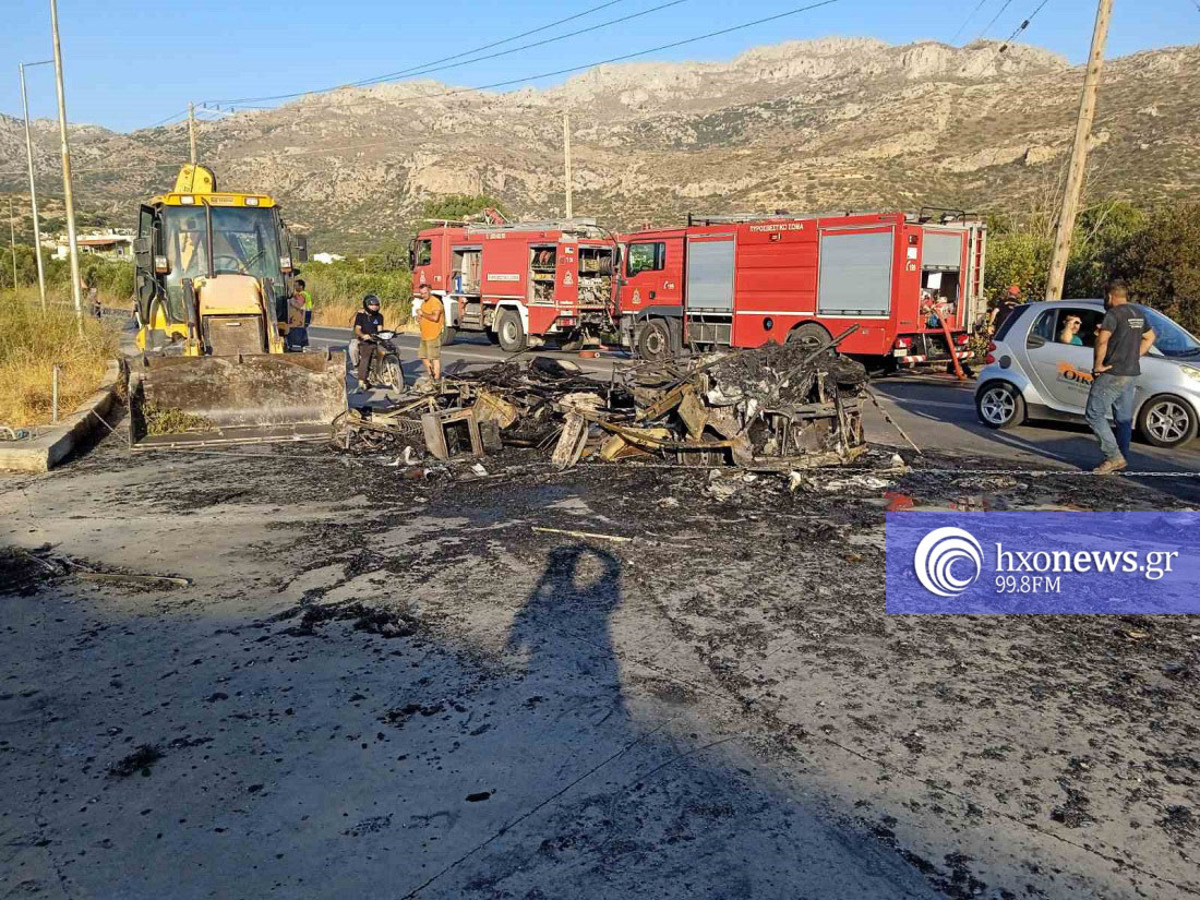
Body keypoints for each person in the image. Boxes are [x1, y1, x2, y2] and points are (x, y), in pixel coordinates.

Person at [1085, 280, 1156, 475]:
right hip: (1131, 372)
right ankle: (1121, 459)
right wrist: (1134, 356)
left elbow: (1102, 341)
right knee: (1123, 419)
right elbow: (1150, 337)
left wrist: (1098, 365)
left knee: (1093, 414)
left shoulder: (1113, 314)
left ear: (1109, 296)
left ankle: (1113, 456)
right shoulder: (1137, 313)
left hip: (1113, 372)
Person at [353, 294, 385, 391]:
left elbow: (380, 329)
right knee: (366, 357)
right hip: (366, 340)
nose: (374, 306)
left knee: (393, 349)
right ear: (366, 305)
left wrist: (381, 337)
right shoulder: (360, 315)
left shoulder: (379, 316)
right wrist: (363, 335)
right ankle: (361, 380)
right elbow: (357, 329)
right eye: (372, 305)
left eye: (376, 305)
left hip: (376, 339)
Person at [415, 283, 444, 381]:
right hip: (424, 335)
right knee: (423, 356)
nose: (423, 295)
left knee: (434, 358)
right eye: (422, 293)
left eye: (425, 293)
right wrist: (419, 318)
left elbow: (435, 318)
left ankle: (436, 379)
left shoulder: (435, 302)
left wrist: (422, 313)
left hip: (433, 334)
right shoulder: (423, 304)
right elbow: (423, 317)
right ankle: (431, 374)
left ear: (430, 291)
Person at [285, 285, 308, 350]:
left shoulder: (299, 298)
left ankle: (296, 345)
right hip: (294, 320)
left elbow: (299, 305)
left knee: (296, 329)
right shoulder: (293, 299)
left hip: (297, 321)